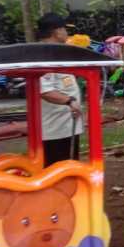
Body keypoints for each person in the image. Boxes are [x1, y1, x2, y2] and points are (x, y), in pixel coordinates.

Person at [36, 13, 84, 167]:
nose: (67, 34)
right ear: (56, 32)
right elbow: (45, 91)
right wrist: (69, 101)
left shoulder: (57, 53)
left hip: (67, 126)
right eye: (65, 30)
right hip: (54, 131)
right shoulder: (42, 56)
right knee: (56, 171)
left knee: (70, 168)